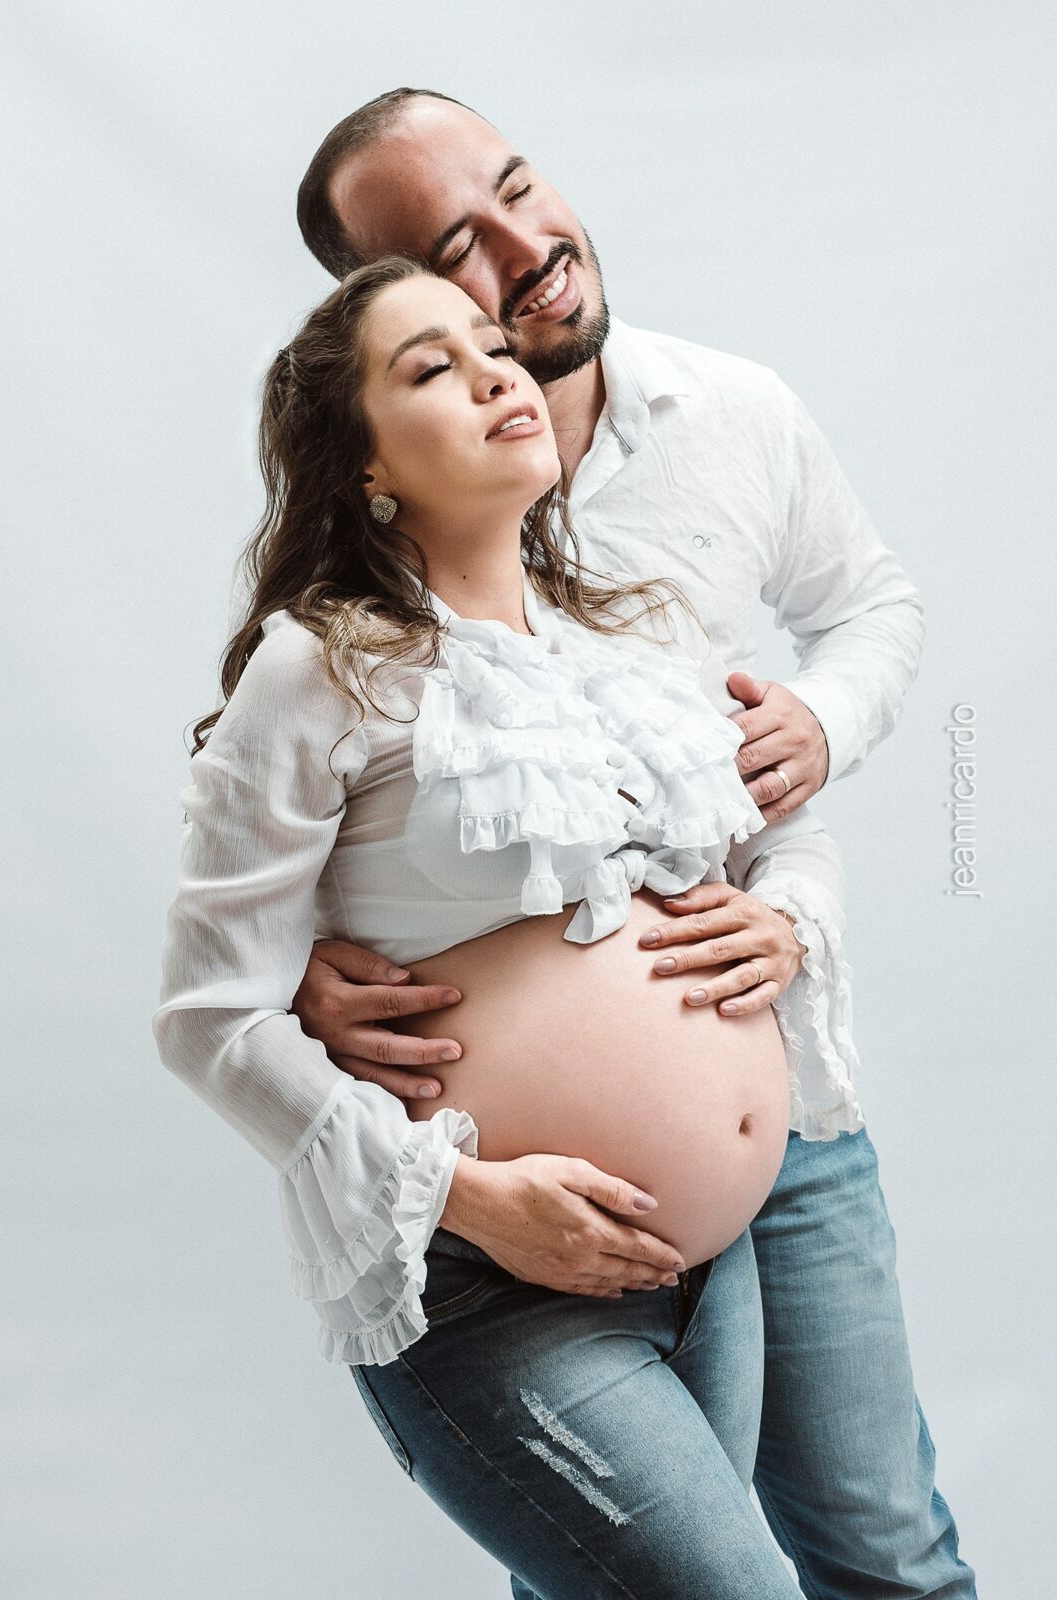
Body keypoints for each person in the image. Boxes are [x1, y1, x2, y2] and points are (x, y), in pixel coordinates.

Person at [283, 89, 978, 1596]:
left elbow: (872, 610)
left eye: (521, 186)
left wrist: (820, 726)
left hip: (784, 1106)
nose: (527, 245)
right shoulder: (392, 534)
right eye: (455, 251)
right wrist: (298, 971)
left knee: (888, 1556)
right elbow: (282, 813)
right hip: (534, 1202)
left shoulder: (734, 413)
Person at [155, 254, 866, 1596]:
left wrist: (787, 920)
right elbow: (208, 1020)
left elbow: (784, 832)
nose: (494, 373)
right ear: (367, 465)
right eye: (432, 368)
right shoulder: (321, 666)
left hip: (713, 1271)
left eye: (492, 346)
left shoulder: (632, 632)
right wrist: (470, 1198)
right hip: (491, 1281)